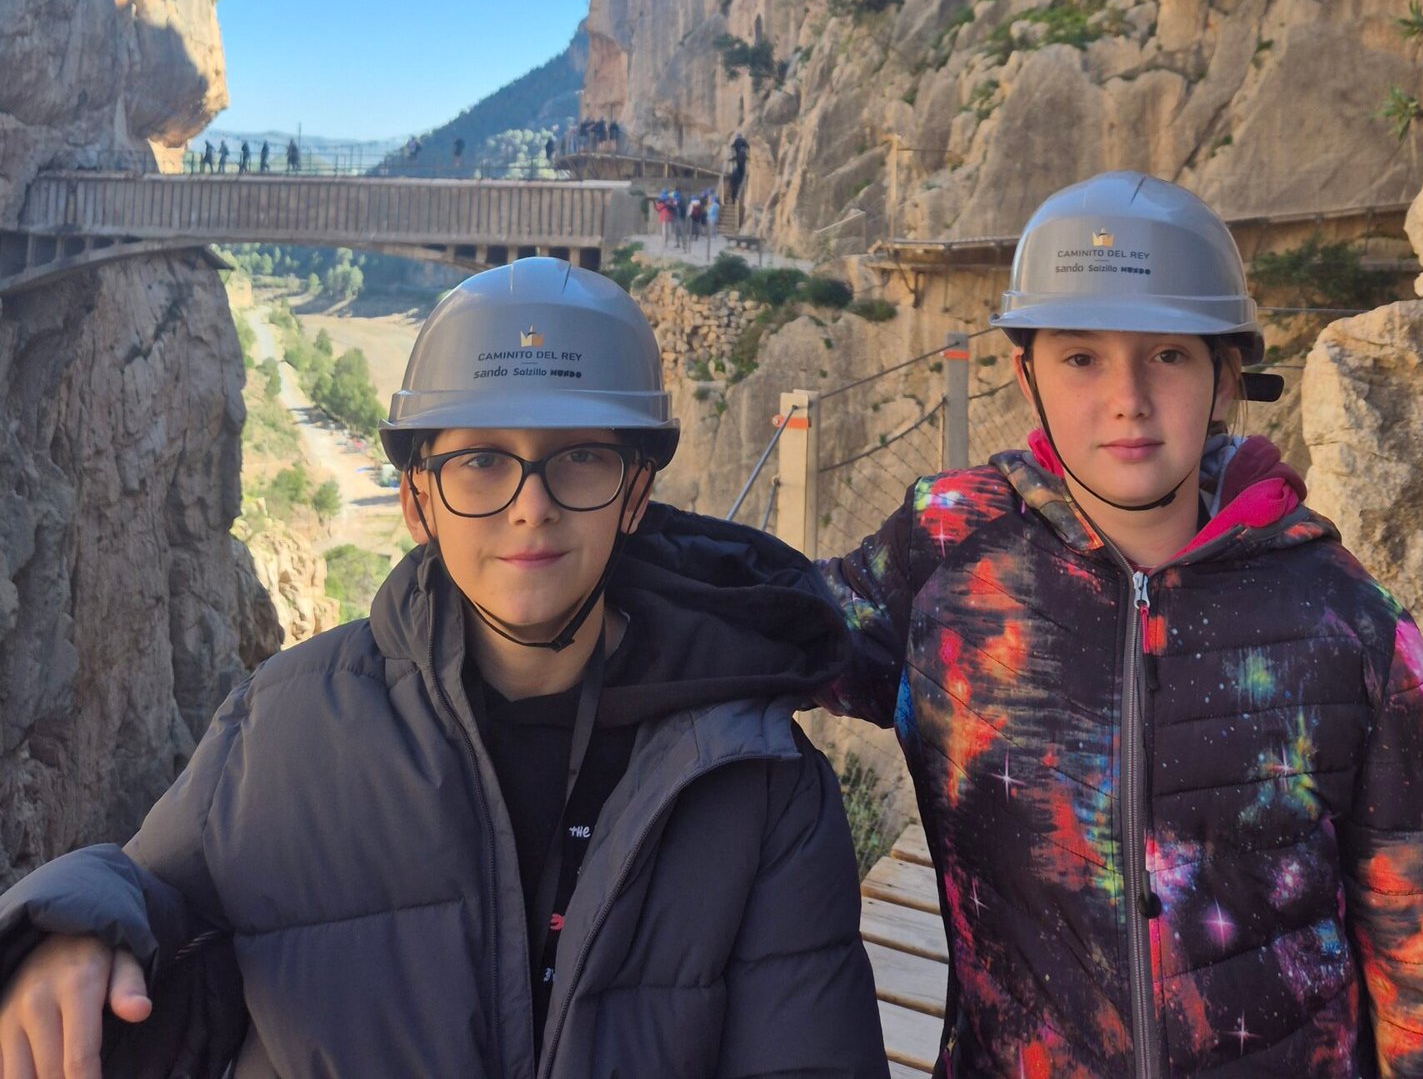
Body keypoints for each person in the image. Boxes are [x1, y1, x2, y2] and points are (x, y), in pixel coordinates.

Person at [0, 258, 888, 1079]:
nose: (529, 506)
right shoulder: (280, 729)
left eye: (580, 456)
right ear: (419, 497)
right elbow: (153, 898)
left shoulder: (762, 788)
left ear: (636, 493)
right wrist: (72, 932)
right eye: (481, 460)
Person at [821, 172, 1423, 1076]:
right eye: (1081, 356)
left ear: (1225, 378)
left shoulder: (1345, 622)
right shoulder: (949, 550)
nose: (1128, 397)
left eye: (1169, 355)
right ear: (1027, 375)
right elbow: (773, 636)